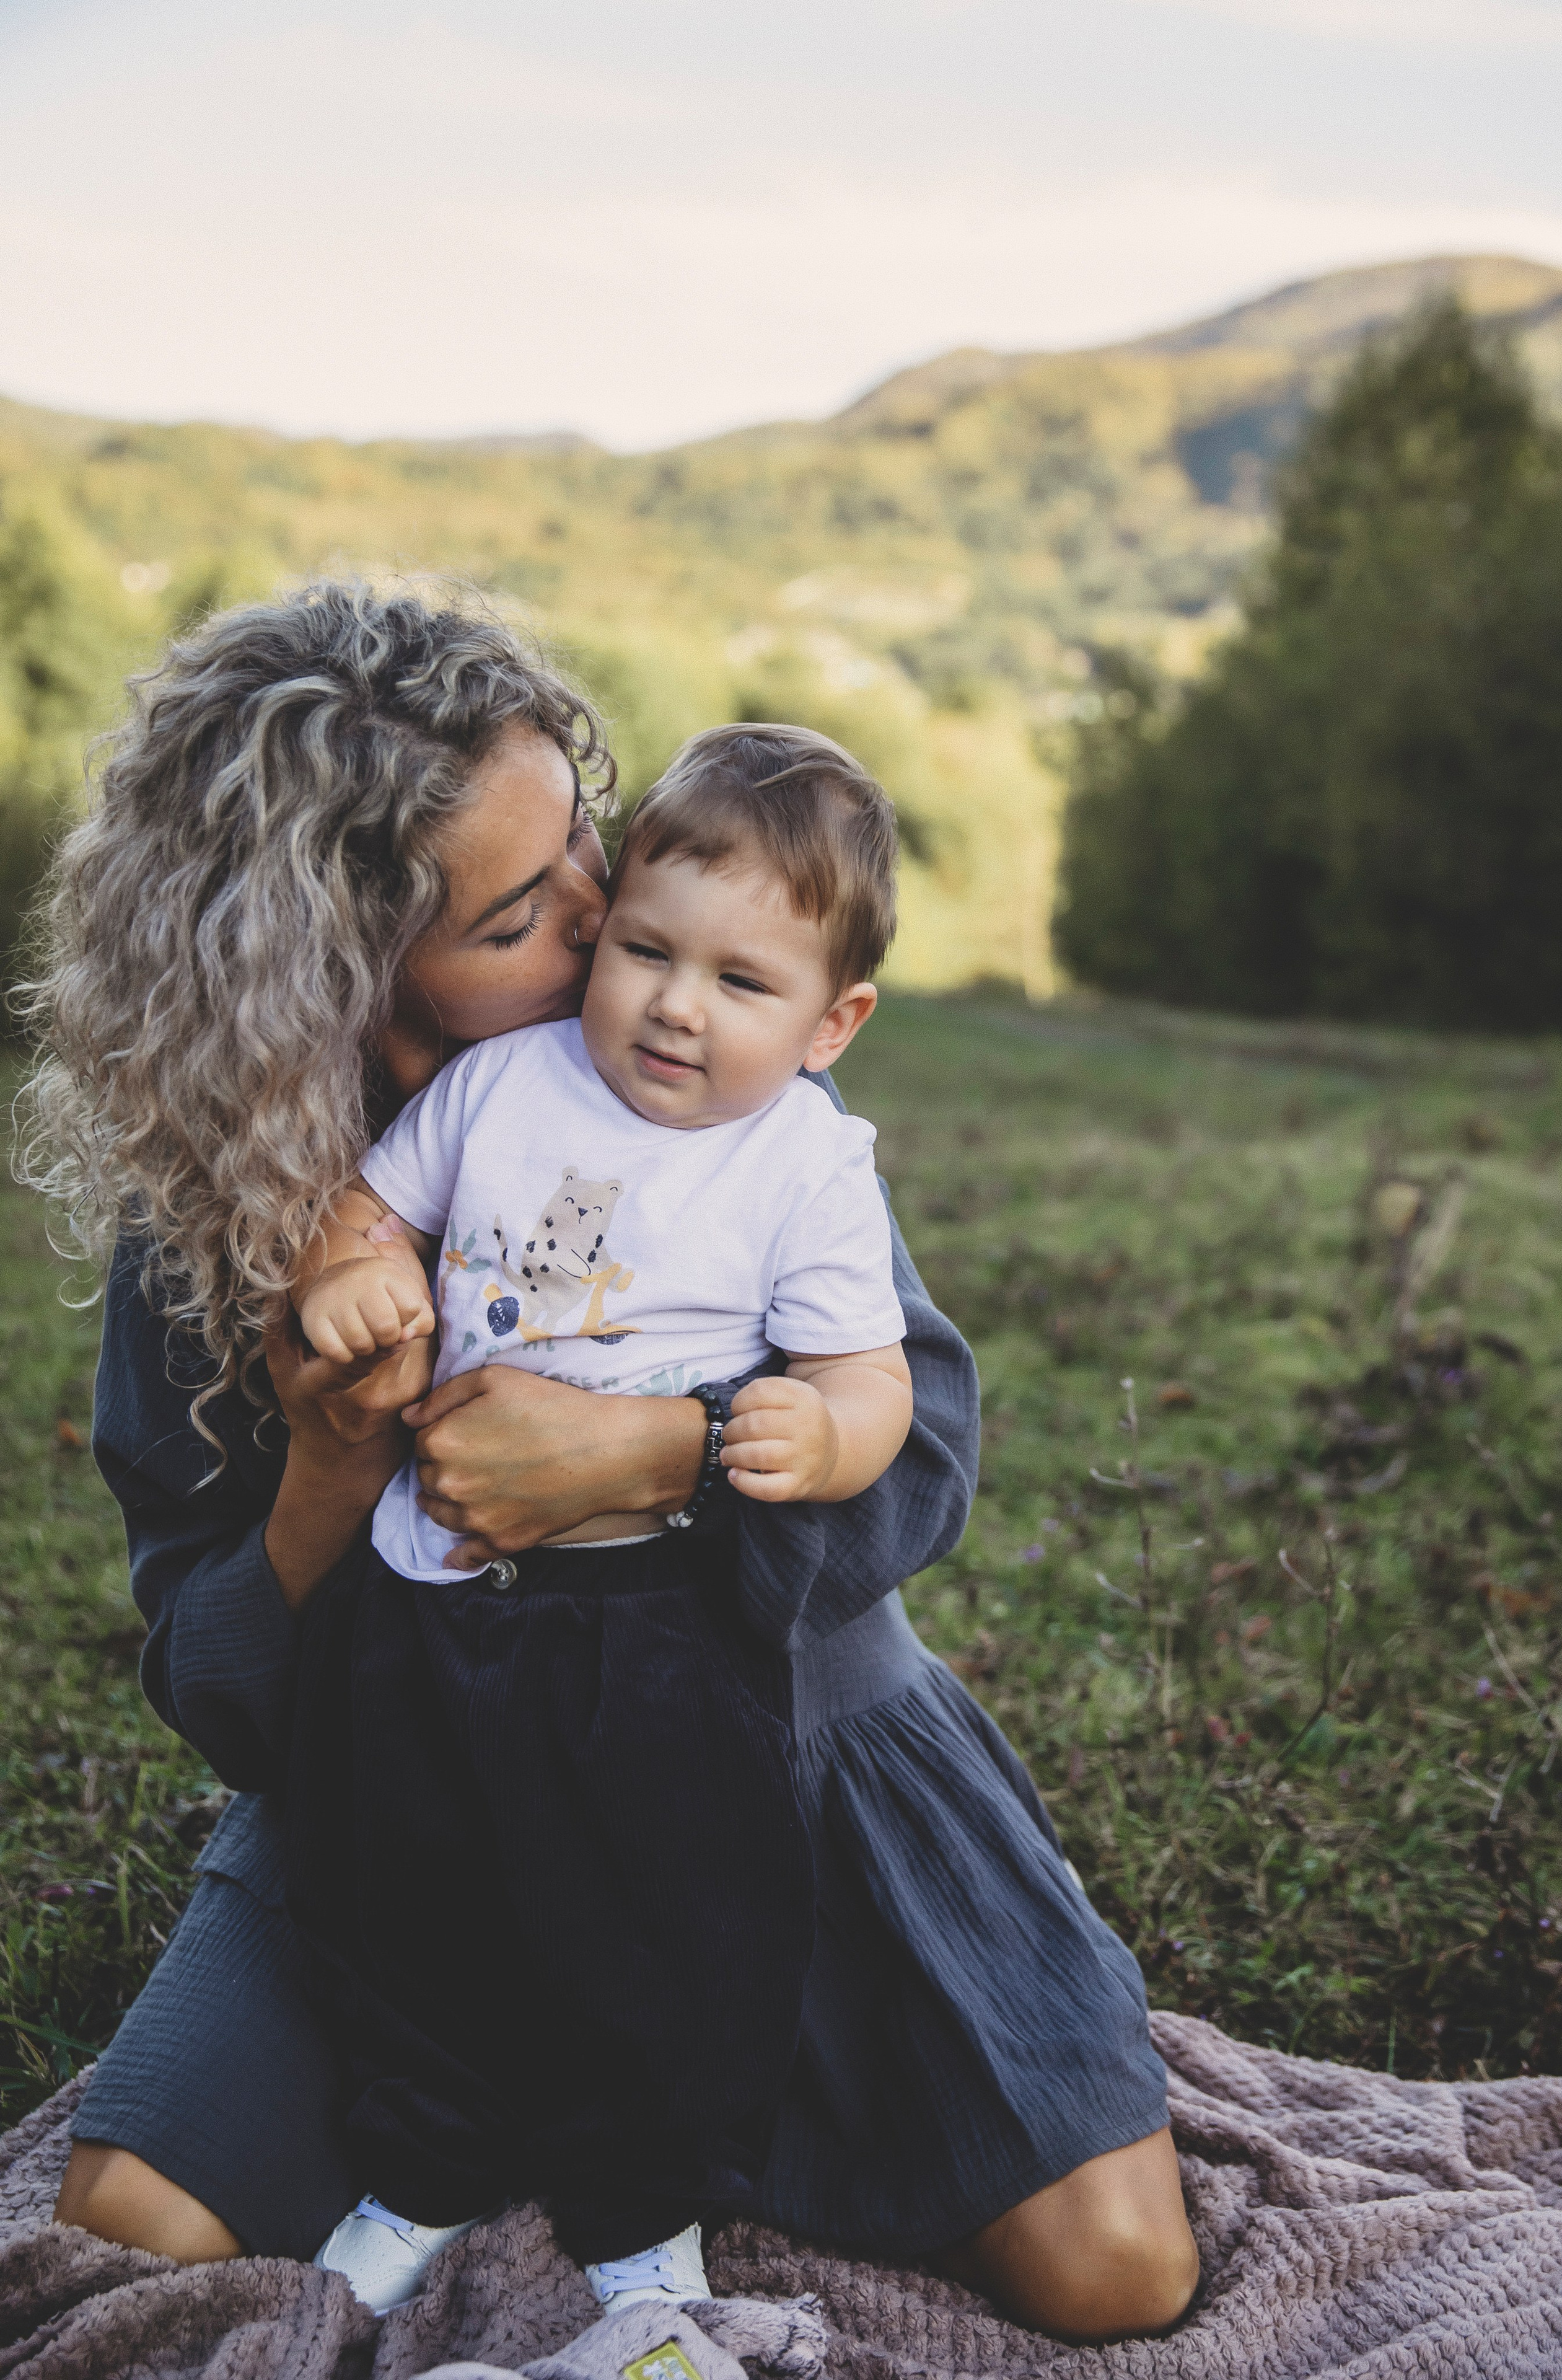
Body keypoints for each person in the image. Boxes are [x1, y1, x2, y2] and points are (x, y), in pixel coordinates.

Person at [21, 581, 1198, 2346]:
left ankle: (670, 2109)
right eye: (524, 910)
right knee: (140, 2217)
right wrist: (334, 1470)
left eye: (584, 841)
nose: (608, 921)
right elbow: (216, 1682)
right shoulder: (220, 1230)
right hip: (399, 1785)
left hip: (774, 1742)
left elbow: (924, 1444)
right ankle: (515, 2105)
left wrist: (659, 1458)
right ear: (341, 977)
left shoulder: (725, 1115)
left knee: (1111, 2265)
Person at [284, 727, 915, 2307]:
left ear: (834, 1022)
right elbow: (374, 1204)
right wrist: (354, 1268)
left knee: (664, 1917)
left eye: (740, 984)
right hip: (425, 1596)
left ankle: (641, 2216)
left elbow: (876, 1381)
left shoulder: (805, 1169)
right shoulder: (506, 1082)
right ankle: (423, 2167)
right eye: (642, 949)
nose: (673, 1006)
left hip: (640, 1620)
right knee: (402, 1887)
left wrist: (816, 1429)